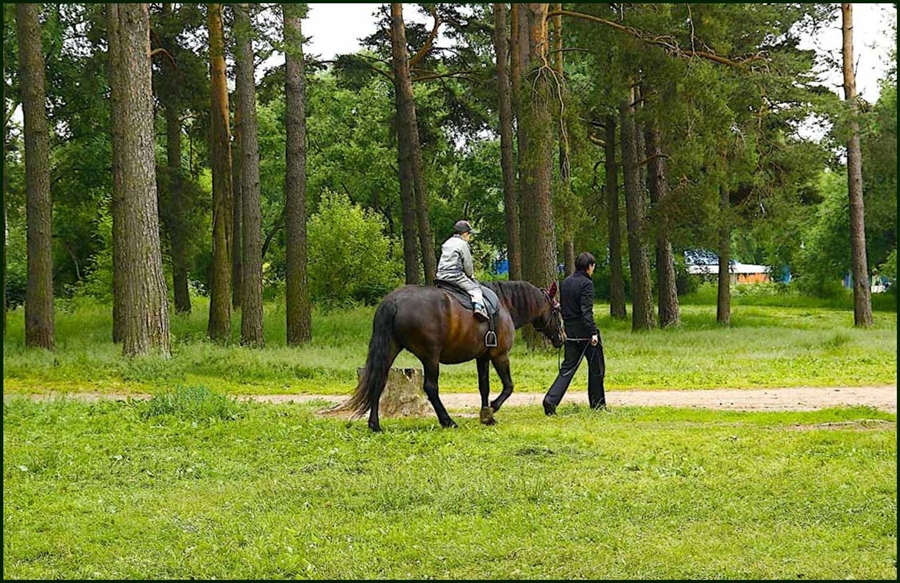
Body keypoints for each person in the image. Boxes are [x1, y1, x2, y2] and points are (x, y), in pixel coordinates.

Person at [543, 251, 606, 415]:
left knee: (567, 368)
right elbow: (586, 311)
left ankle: (550, 400)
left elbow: (564, 308)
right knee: (597, 368)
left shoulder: (566, 282)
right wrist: (593, 333)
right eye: (593, 267)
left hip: (570, 331)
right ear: (589, 267)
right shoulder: (587, 284)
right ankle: (597, 404)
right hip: (585, 332)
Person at [435, 219, 489, 321]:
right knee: (476, 290)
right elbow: (467, 265)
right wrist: (471, 276)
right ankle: (479, 309)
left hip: (441, 276)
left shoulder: (447, 242)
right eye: (469, 235)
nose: (469, 237)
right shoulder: (462, 244)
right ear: (464, 234)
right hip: (455, 276)